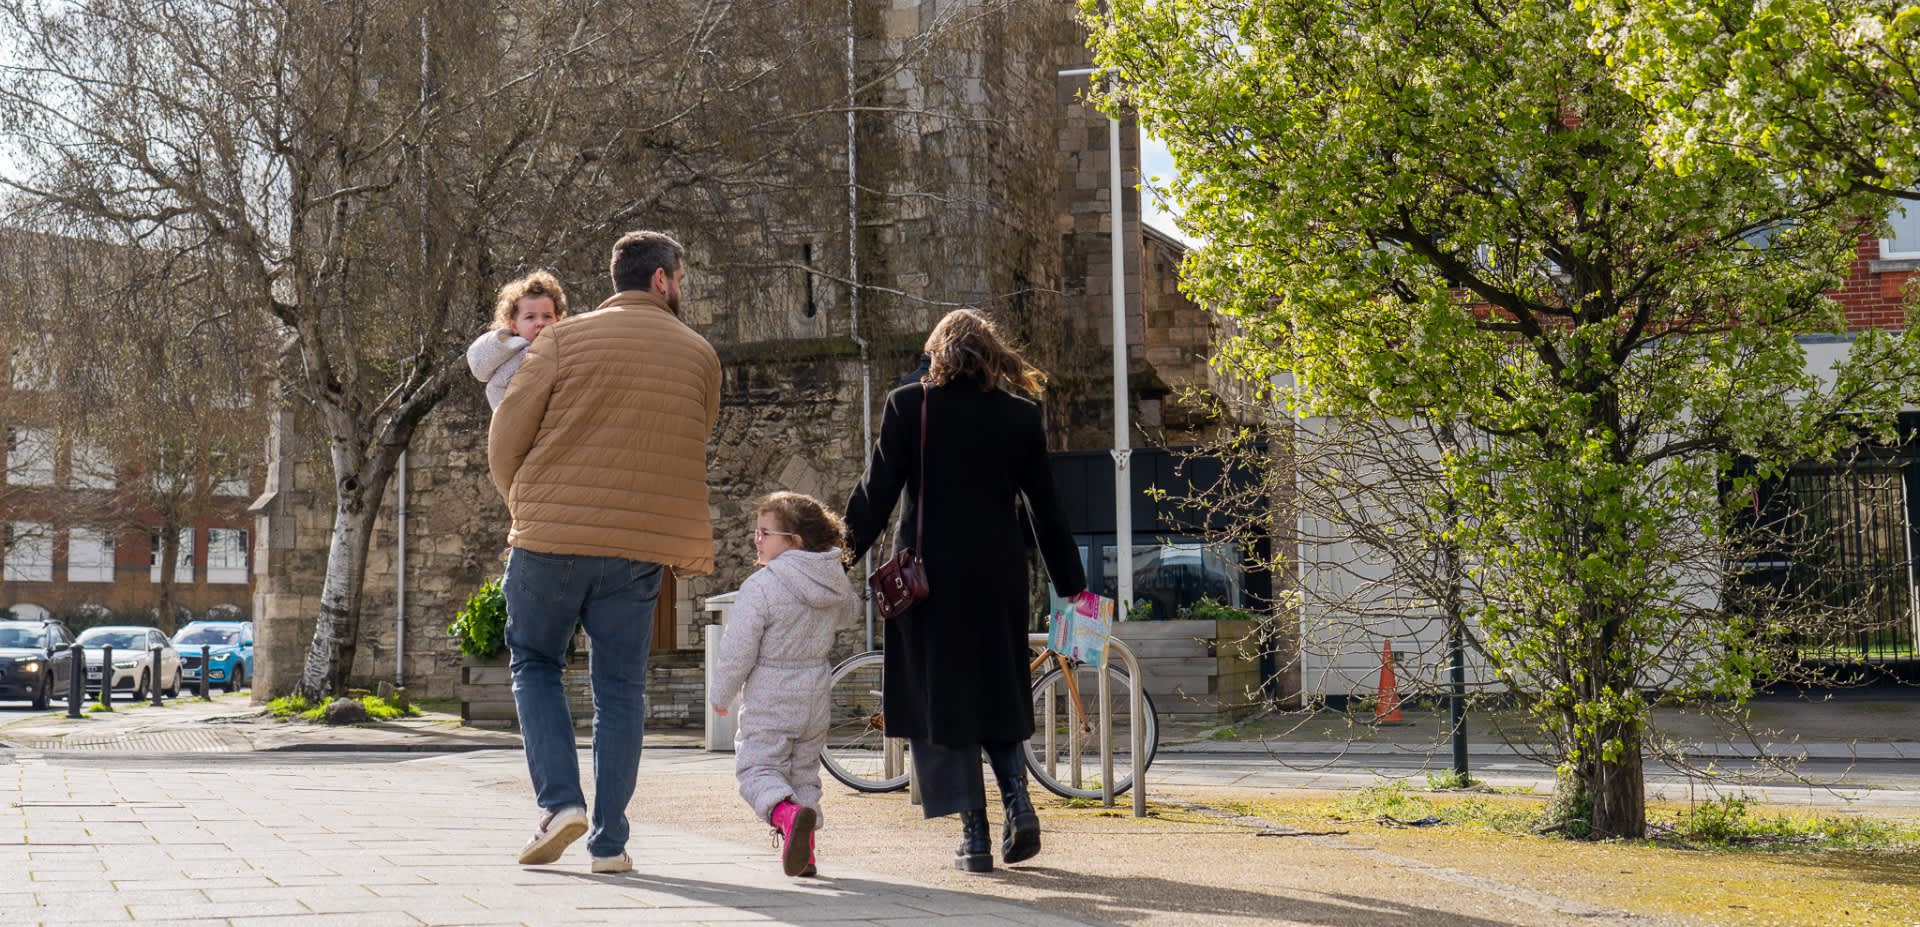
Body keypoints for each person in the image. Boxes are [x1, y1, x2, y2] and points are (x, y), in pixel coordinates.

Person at [488, 230, 721, 874]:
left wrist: (524, 502)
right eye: (681, 276)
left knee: (535, 661)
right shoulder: (701, 355)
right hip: (637, 550)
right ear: (661, 281)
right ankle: (610, 841)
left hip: (550, 540)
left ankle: (561, 802)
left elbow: (507, 431)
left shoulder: (562, 338)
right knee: (620, 689)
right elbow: (691, 438)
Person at [844, 308, 1085, 873]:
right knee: (997, 689)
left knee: (939, 701)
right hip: (998, 575)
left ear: (938, 353)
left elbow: (876, 492)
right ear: (991, 356)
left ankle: (974, 838)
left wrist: (838, 554)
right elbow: (1047, 510)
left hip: (929, 580)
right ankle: (1018, 801)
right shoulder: (1021, 416)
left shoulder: (909, 406)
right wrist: (1071, 586)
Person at [708, 491, 856, 878]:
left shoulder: (762, 586)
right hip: (815, 693)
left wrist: (721, 695)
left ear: (794, 541)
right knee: (804, 772)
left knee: (756, 768)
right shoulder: (833, 580)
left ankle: (789, 817)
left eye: (765, 532)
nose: (756, 539)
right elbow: (850, 614)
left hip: (772, 692)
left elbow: (738, 650)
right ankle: (805, 854)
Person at [467, 270, 569, 409]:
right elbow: (499, 395)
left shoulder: (567, 348)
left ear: (558, 320)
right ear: (514, 326)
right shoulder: (512, 360)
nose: (540, 323)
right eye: (530, 317)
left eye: (547, 316)